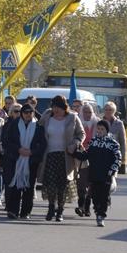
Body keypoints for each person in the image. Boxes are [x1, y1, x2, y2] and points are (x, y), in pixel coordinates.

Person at [38, 94, 84, 222]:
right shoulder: (47, 116)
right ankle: (51, 207)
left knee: (62, 185)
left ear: (65, 107)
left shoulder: (72, 117)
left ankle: (60, 211)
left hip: (65, 156)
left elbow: (81, 134)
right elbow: (38, 129)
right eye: (54, 107)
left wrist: (74, 144)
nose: (56, 110)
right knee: (51, 184)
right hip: (50, 155)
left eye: (59, 107)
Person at [71, 119, 122, 227]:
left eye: (102, 129)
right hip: (94, 174)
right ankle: (97, 211)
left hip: (106, 175)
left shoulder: (113, 144)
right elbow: (86, 155)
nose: (99, 131)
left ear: (106, 130)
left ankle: (101, 216)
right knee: (95, 196)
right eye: (98, 129)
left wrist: (112, 170)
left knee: (103, 196)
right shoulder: (93, 141)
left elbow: (117, 159)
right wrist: (75, 153)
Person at [1, 103, 46, 220]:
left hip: (31, 161)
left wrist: (32, 152)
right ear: (21, 114)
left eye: (30, 113)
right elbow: (6, 141)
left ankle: (25, 212)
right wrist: (18, 149)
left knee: (29, 187)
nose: (28, 115)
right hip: (15, 159)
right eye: (25, 112)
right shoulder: (14, 125)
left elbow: (42, 144)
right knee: (15, 185)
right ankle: (12, 210)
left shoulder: (38, 126)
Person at [75, 102, 99, 217]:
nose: (87, 114)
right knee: (81, 183)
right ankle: (80, 205)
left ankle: (87, 207)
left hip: (93, 158)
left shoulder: (97, 123)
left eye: (90, 112)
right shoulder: (77, 122)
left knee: (90, 184)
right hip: (80, 157)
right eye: (85, 112)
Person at [101, 102, 127, 173]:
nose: (108, 112)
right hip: (102, 152)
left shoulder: (119, 123)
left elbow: (122, 140)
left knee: (112, 174)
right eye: (106, 110)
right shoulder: (100, 122)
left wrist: (123, 156)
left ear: (114, 111)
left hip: (114, 153)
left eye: (110, 110)